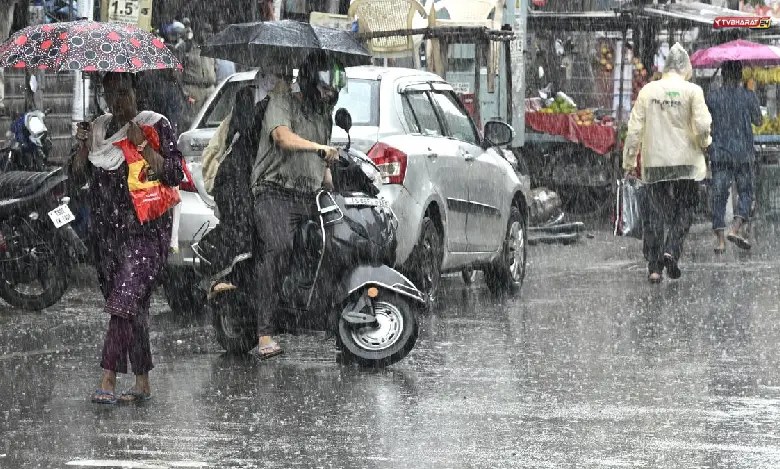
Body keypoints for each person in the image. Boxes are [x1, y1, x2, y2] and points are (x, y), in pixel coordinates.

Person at [71, 72, 183, 404]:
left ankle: (107, 378)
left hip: (147, 234)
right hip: (106, 238)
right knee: (132, 308)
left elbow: (175, 173)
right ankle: (142, 381)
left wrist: (144, 145)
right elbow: (75, 179)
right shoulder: (99, 129)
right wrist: (81, 146)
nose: (118, 101)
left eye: (124, 92)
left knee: (123, 302)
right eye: (111, 94)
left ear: (135, 91)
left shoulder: (155, 124)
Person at [248, 51, 344, 359]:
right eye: (327, 82)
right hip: (274, 192)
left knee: (335, 245)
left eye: (336, 83)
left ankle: (324, 318)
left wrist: (340, 179)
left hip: (308, 195)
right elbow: (284, 139)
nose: (332, 90)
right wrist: (319, 148)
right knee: (279, 248)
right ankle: (264, 333)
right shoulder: (282, 103)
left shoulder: (323, 115)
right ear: (311, 79)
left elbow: (324, 170)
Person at [622, 43, 712, 284]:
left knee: (655, 214)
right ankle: (671, 250)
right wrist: (704, 142)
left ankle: (654, 268)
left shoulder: (648, 91)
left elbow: (634, 130)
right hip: (687, 163)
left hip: (656, 162)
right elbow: (703, 126)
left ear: (666, 66)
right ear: (685, 67)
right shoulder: (693, 91)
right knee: (686, 208)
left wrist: (629, 160)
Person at [198, 71, 291, 297]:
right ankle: (220, 280)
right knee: (244, 234)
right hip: (235, 179)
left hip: (252, 179)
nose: (286, 83)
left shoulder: (282, 106)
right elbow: (249, 134)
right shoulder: (249, 99)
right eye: (282, 78)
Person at [705, 60, 762, 253]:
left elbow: (705, 121)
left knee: (719, 196)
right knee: (746, 192)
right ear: (740, 76)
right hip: (743, 153)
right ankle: (735, 228)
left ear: (722, 75)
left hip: (720, 152)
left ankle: (720, 241)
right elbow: (759, 120)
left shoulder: (713, 97)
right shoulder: (749, 96)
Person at [180, 22, 217, 129]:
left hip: (210, 89)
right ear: (197, 31)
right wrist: (184, 92)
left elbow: (215, 67)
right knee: (191, 122)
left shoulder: (210, 47)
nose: (209, 35)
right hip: (193, 90)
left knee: (210, 121)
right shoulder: (186, 47)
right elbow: (177, 71)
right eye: (206, 31)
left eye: (210, 32)